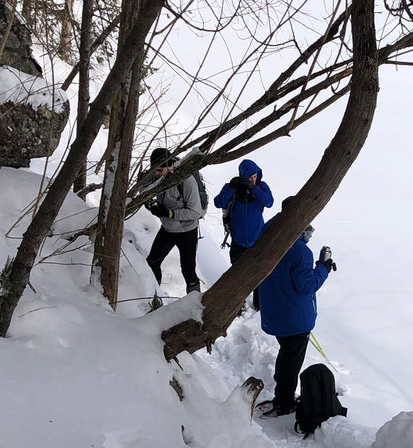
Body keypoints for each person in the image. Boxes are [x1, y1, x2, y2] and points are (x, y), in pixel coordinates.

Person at [255, 199, 336, 417]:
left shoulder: (267, 235)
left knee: (286, 357)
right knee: (290, 363)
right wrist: (323, 268)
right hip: (295, 320)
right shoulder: (300, 252)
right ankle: (283, 402)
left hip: (275, 313)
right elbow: (306, 286)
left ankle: (282, 396)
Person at [143, 148, 205, 294]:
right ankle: (153, 297)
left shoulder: (186, 180)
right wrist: (148, 202)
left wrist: (169, 213)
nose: (156, 173)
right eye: (154, 170)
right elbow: (144, 189)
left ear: (169, 165)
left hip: (187, 232)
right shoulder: (156, 175)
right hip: (167, 229)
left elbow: (195, 212)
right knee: (152, 262)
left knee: (188, 271)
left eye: (159, 170)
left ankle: (194, 305)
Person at [213, 158, 273, 308]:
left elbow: (269, 202)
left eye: (255, 176)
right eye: (249, 177)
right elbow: (218, 202)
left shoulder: (261, 187)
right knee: (237, 275)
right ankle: (238, 304)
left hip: (257, 239)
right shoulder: (232, 188)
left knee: (258, 275)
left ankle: (258, 304)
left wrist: (253, 188)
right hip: (238, 240)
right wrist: (232, 187)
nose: (253, 179)